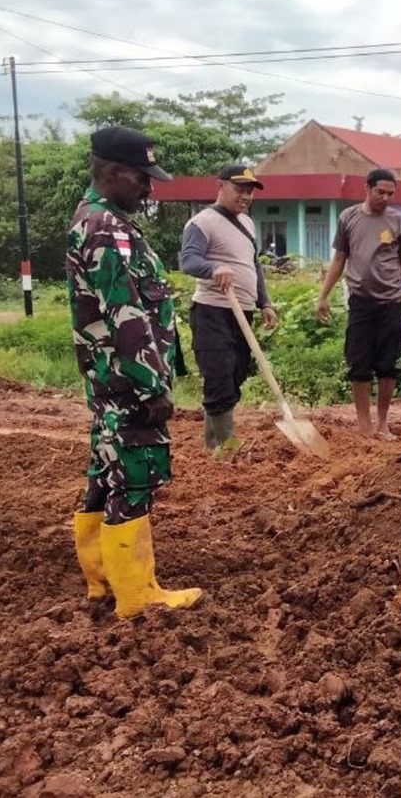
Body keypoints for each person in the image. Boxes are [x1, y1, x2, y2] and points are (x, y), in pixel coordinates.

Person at [66, 126, 203, 619]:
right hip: (128, 381)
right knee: (135, 475)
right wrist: (153, 383)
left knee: (106, 469)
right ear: (112, 172)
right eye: (142, 178)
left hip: (109, 378)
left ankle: (102, 582)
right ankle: (138, 595)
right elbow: (124, 311)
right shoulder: (106, 229)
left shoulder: (96, 220)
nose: (149, 188)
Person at [315, 168, 401, 440]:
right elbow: (339, 259)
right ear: (367, 189)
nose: (386, 198)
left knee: (389, 364)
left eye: (391, 193)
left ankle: (382, 422)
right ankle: (364, 423)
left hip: (392, 302)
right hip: (360, 302)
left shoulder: (399, 222)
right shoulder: (349, 218)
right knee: (359, 363)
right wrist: (322, 296)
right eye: (381, 192)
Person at [179, 164, 278, 451]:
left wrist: (264, 302)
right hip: (212, 310)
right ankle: (227, 445)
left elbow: (253, 265)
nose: (246, 196)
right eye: (240, 189)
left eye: (250, 191)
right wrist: (213, 268)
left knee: (235, 376)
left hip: (242, 311)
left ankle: (213, 447)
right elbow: (189, 261)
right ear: (220, 186)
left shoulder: (247, 223)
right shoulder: (202, 222)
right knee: (219, 373)